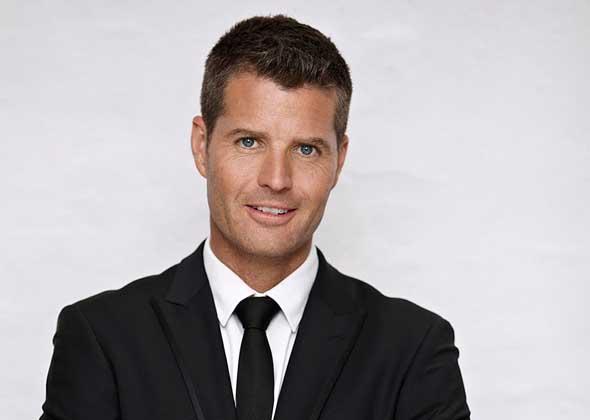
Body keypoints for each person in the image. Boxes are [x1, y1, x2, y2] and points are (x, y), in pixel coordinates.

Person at [40, 14, 471, 420]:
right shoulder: (103, 337)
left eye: (306, 149)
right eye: (249, 142)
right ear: (201, 146)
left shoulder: (412, 349)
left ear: (339, 161)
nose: (276, 179)